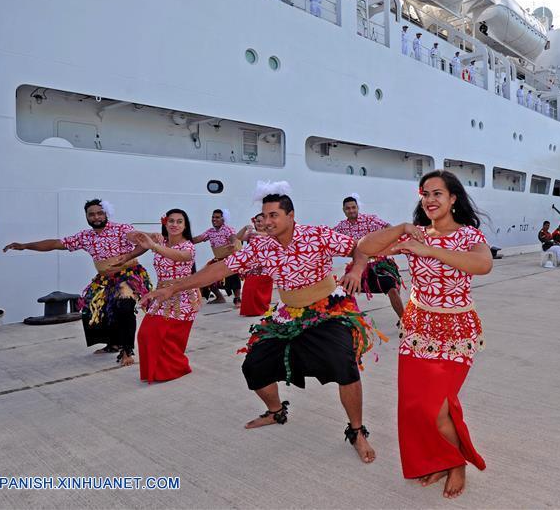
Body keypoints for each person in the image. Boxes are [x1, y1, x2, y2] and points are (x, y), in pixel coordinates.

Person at [141, 181, 383, 462]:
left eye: (273, 216)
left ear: (291, 216)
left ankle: (356, 431)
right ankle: (276, 411)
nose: (266, 221)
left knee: (345, 366)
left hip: (326, 310)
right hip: (287, 313)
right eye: (264, 216)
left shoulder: (317, 235)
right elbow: (221, 268)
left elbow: (361, 248)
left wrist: (357, 270)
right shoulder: (261, 247)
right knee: (254, 366)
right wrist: (173, 288)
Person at [357, 170, 492, 499]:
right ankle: (437, 459)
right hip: (418, 328)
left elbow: (483, 264)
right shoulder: (415, 236)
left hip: (457, 330)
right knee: (415, 406)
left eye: (438, 194)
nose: (430, 200)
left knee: (438, 407)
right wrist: (404, 230)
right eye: (425, 194)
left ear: (453, 199)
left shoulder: (467, 235)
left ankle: (456, 462)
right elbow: (365, 246)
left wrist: (433, 251)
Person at [3, 199, 151, 366]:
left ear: (106, 214)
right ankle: (113, 343)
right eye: (91, 214)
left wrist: (138, 248)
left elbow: (141, 240)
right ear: (86, 216)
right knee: (92, 308)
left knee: (124, 307)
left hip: (128, 275)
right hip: (105, 279)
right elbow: (55, 244)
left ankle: (127, 350)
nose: (96, 217)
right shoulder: (84, 236)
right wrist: (25, 246)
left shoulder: (122, 229)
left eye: (99, 213)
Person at [124, 209, 199, 383]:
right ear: (165, 223)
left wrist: (155, 246)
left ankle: (175, 368)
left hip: (183, 296)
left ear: (185, 225)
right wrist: (128, 255)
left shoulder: (188, 246)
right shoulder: (160, 241)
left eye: (179, 221)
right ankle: (160, 370)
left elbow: (180, 257)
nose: (174, 224)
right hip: (161, 294)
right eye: (171, 221)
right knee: (146, 334)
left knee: (171, 337)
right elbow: (134, 238)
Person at [334, 196, 405, 319]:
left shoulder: (370, 219)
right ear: (343, 210)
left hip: (379, 263)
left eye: (353, 207)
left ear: (357, 207)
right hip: (359, 267)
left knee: (392, 288)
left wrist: (389, 241)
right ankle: (351, 321)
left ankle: (404, 320)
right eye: (348, 208)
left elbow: (388, 227)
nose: (351, 210)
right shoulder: (341, 227)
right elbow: (330, 239)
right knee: (344, 289)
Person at [193, 209, 241, 305]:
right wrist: (184, 240)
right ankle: (220, 298)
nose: (214, 219)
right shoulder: (210, 232)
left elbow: (234, 238)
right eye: (213, 217)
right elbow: (198, 238)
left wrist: (233, 243)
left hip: (229, 258)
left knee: (233, 277)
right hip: (218, 259)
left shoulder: (228, 229)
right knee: (207, 277)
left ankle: (237, 299)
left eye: (217, 217)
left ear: (223, 219)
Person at [236, 214, 274, 317]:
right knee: (249, 288)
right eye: (257, 221)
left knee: (262, 290)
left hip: (265, 266)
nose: (259, 223)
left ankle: (262, 309)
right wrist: (245, 228)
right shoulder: (251, 235)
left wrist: (255, 233)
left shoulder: (270, 234)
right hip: (252, 266)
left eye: (262, 221)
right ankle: (250, 310)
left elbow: (268, 236)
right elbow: (238, 237)